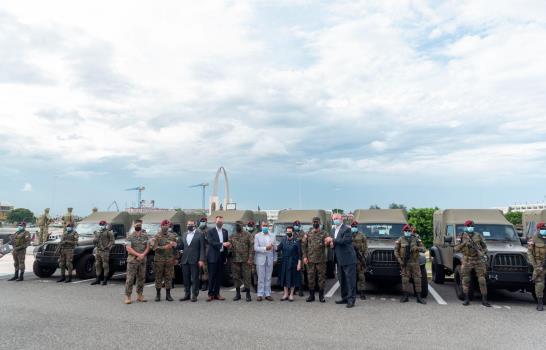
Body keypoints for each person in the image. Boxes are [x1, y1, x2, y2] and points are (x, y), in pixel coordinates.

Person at [455, 220, 491, 307]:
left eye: (471, 225)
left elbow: (485, 247)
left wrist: (482, 252)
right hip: (467, 260)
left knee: (482, 279)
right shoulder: (461, 236)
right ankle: (466, 299)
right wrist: (464, 244)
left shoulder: (478, 235)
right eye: (468, 226)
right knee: (466, 279)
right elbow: (456, 248)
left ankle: (484, 300)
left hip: (478, 260)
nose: (470, 227)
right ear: (465, 226)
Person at [326, 213, 357, 308]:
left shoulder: (347, 229)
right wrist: (330, 244)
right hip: (339, 259)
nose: (335, 220)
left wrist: (333, 240)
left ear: (341, 219)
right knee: (342, 280)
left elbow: (345, 241)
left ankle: (351, 300)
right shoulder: (333, 229)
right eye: (334, 218)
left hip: (348, 258)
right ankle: (344, 298)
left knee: (350, 280)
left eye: (337, 218)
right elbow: (334, 243)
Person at [394, 225, 426, 304]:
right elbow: (395, 251)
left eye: (409, 231)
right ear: (403, 232)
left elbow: (424, 249)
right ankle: (405, 296)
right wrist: (399, 260)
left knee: (417, 279)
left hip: (415, 262)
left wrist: (417, 248)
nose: (407, 232)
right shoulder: (400, 240)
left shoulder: (416, 239)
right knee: (405, 280)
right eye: (406, 231)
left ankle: (419, 297)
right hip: (405, 263)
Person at [178, 220, 205, 302]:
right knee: (185, 279)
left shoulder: (200, 234)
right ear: (186, 225)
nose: (190, 226)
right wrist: (175, 245)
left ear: (194, 225)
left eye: (191, 224)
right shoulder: (184, 234)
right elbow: (182, 246)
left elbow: (202, 248)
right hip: (185, 260)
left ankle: (194, 294)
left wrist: (201, 259)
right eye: (188, 224)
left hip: (195, 260)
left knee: (194, 278)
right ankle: (187, 294)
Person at [302, 217, 327, 303]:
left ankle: (321, 296)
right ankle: (311, 296)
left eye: (317, 222)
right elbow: (304, 246)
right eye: (314, 222)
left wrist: (328, 243)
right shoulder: (308, 234)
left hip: (321, 260)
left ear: (319, 223)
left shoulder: (324, 233)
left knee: (321, 278)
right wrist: (305, 257)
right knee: (310, 278)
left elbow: (328, 244)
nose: (315, 223)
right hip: (310, 260)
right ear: (312, 223)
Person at [151, 220, 177, 302]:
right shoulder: (156, 236)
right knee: (158, 277)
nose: (165, 227)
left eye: (167, 225)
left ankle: (168, 295)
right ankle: (158, 295)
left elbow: (175, 248)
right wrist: (164, 247)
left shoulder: (172, 236)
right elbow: (154, 247)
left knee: (168, 277)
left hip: (169, 259)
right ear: (161, 226)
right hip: (159, 260)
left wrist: (175, 258)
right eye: (164, 225)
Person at [124, 219, 149, 304]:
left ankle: (139, 295)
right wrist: (139, 255)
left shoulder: (145, 236)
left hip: (142, 260)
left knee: (141, 278)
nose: (138, 226)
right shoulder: (129, 236)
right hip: (132, 261)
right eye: (136, 225)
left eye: (139, 225)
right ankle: (128, 297)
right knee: (130, 279)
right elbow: (128, 248)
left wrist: (143, 255)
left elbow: (148, 247)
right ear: (134, 226)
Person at [228, 220, 254, 302]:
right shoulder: (232, 235)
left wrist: (250, 258)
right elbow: (230, 247)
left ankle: (248, 294)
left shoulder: (248, 235)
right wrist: (229, 248)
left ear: (242, 226)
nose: (237, 227)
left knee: (247, 277)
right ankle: (238, 294)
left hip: (245, 260)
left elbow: (251, 247)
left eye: (238, 225)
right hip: (235, 260)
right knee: (236, 277)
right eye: (236, 226)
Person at [206, 216, 230, 302]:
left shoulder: (225, 231)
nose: (220, 223)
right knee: (212, 276)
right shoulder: (210, 231)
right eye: (218, 221)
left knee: (219, 277)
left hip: (221, 256)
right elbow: (211, 242)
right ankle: (210, 294)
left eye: (221, 221)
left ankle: (217, 294)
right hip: (212, 257)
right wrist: (222, 244)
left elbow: (226, 245)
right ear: (215, 222)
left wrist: (226, 256)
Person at [277, 226, 301, 301]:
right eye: (287, 231)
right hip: (284, 261)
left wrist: (299, 263)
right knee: (284, 278)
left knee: (292, 278)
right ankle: (285, 294)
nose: (288, 233)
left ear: (293, 232)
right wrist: (271, 246)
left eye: (290, 231)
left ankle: (291, 295)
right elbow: (278, 248)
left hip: (293, 262)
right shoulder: (283, 240)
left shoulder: (296, 241)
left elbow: (300, 253)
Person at [254, 222, 276, 301]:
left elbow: (274, 249)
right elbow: (256, 248)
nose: (265, 227)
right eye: (264, 226)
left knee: (268, 277)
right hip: (260, 259)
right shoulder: (257, 235)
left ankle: (268, 294)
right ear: (261, 226)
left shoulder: (273, 235)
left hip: (270, 259)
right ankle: (260, 294)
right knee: (260, 278)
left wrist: (275, 259)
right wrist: (265, 248)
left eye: (266, 225)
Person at [527, 222, 546, 311]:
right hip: (539, 265)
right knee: (539, 283)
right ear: (538, 229)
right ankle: (540, 303)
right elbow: (529, 253)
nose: (544, 231)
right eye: (542, 229)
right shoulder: (533, 239)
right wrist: (535, 265)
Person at [91, 220, 114, 286]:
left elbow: (112, 241)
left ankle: (105, 279)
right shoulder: (98, 232)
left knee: (105, 265)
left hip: (105, 251)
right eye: (100, 225)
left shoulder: (108, 232)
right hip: (98, 250)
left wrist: (108, 247)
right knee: (97, 264)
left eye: (103, 225)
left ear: (105, 225)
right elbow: (94, 241)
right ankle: (98, 279)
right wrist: (95, 239)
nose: (101, 226)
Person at [351, 221, 368, 300]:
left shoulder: (362, 235)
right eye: (352, 226)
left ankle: (362, 293)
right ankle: (353, 291)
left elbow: (365, 247)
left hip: (359, 259)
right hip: (350, 259)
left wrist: (364, 257)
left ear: (357, 227)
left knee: (361, 276)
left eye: (355, 226)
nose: (354, 227)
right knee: (352, 276)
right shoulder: (348, 235)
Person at [293, 220, 306, 297]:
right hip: (294, 255)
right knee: (293, 272)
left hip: (301, 254)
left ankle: (301, 289)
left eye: (297, 225)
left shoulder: (302, 233)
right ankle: (293, 289)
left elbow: (304, 241)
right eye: (295, 225)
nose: (296, 226)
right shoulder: (292, 233)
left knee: (301, 273)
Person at [197, 217, 209, 292]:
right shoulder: (197, 230)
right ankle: (199, 283)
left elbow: (209, 242)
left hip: (205, 252)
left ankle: (205, 283)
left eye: (203, 221)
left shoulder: (209, 230)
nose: (202, 222)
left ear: (206, 222)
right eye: (201, 221)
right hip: (197, 252)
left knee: (205, 269)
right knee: (198, 269)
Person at [246, 220, 258, 293]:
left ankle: (255, 286)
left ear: (253, 226)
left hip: (254, 255)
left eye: (251, 226)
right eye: (249, 226)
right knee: (246, 271)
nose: (250, 227)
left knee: (254, 272)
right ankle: (248, 286)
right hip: (246, 255)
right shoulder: (245, 233)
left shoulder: (257, 234)